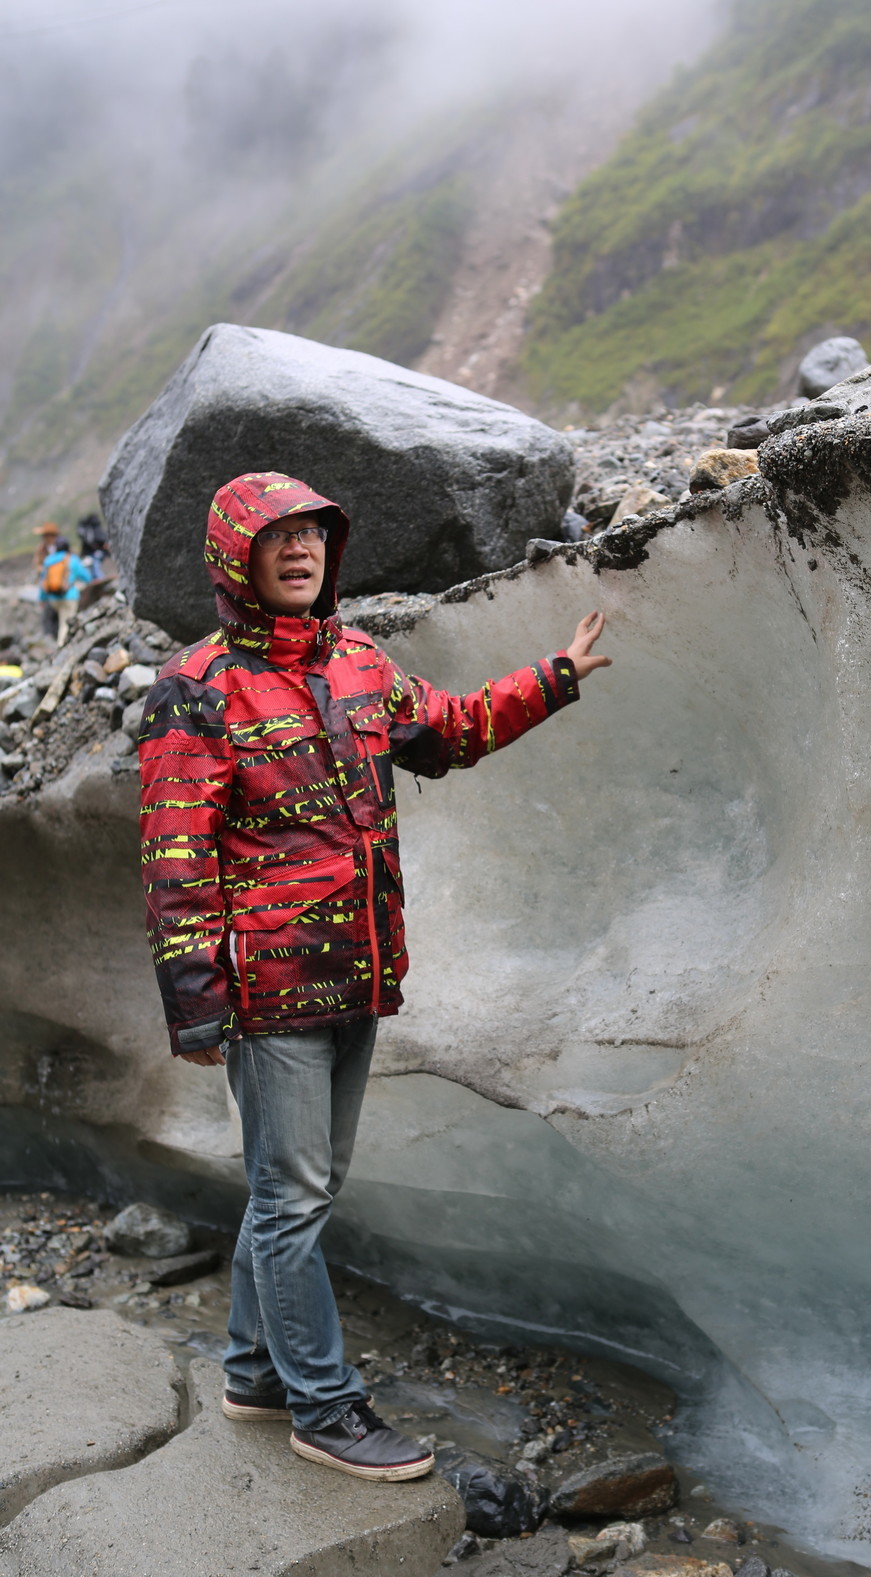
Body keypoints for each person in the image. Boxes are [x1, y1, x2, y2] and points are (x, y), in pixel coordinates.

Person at [137, 472, 610, 1483]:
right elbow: (174, 858)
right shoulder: (198, 687)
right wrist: (199, 1004)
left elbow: (450, 731)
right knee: (294, 1195)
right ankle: (324, 1407)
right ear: (237, 559)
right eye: (278, 538)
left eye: (312, 533)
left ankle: (258, 1373)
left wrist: (553, 677)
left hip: (355, 971)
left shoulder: (358, 663)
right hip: (268, 987)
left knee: (297, 1189)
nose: (300, 550)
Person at [38, 534, 91, 645]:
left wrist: (42, 599)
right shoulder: (71, 559)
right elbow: (86, 577)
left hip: (52, 598)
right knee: (65, 623)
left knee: (57, 621)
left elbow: (43, 581)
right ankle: (61, 646)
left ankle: (53, 642)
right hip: (69, 597)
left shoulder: (48, 560)